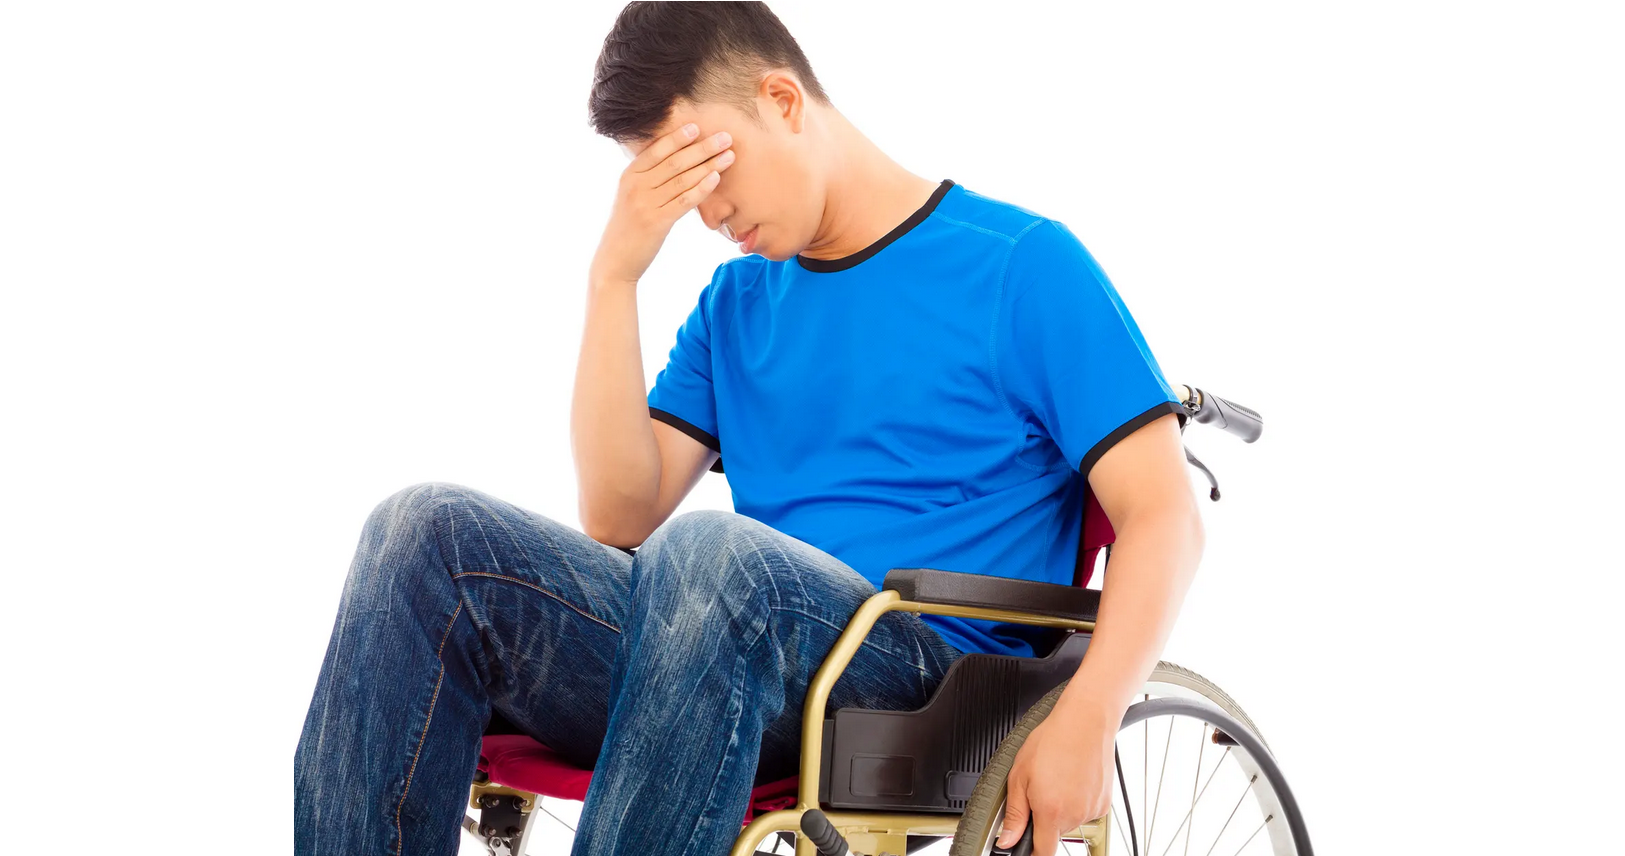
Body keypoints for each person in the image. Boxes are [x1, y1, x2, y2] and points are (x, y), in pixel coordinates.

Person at [293, 4, 1205, 856]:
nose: (706, 214)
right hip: (709, 650)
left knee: (712, 553)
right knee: (423, 531)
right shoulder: (734, 304)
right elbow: (618, 515)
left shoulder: (1021, 266)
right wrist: (614, 277)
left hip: (925, 671)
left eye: (707, 170)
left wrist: (1089, 716)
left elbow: (1165, 516)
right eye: (672, 186)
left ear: (781, 101)